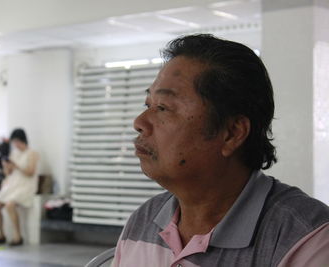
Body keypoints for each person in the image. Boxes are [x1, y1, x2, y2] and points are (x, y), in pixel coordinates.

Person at [111, 34, 329, 266]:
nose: (139, 122)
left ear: (232, 133)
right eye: (148, 105)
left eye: (163, 108)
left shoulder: (306, 239)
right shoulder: (144, 220)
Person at [0, 128, 40, 246]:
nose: (15, 144)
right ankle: (1, 234)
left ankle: (18, 236)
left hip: (26, 185)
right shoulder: (14, 153)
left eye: (17, 141)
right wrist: (6, 166)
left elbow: (30, 172)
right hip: (13, 183)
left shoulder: (32, 153)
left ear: (22, 140)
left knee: (10, 205)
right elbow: (9, 174)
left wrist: (16, 165)